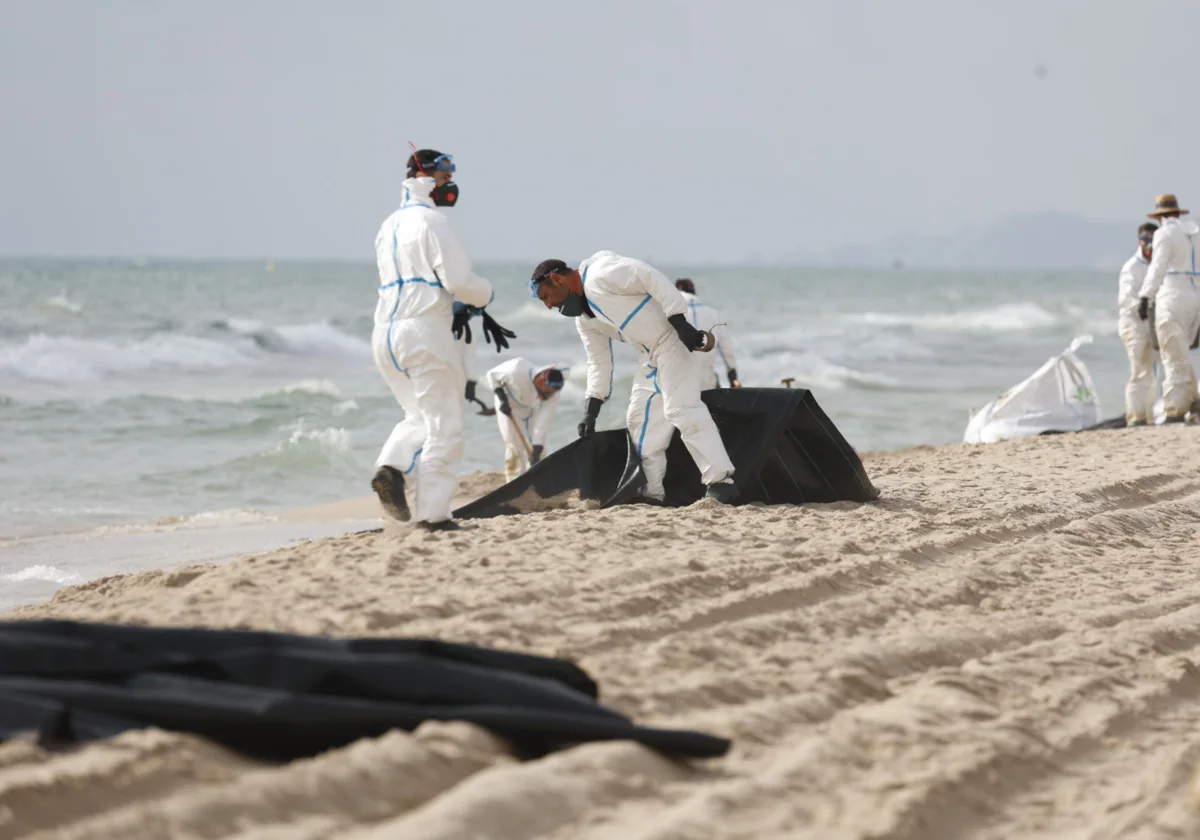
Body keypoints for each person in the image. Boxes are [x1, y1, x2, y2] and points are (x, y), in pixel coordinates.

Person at [370, 148, 515, 531]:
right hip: (424, 333)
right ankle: (433, 515)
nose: (451, 180)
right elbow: (459, 283)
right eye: (446, 173)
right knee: (446, 427)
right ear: (428, 176)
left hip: (384, 334)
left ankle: (392, 468)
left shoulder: (387, 226)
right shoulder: (434, 222)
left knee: (417, 415)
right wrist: (485, 294)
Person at [529, 251, 739, 504]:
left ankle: (721, 482)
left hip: (672, 340)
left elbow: (650, 277)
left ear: (557, 280)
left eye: (545, 297)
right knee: (639, 419)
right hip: (649, 355)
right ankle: (651, 492)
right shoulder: (585, 321)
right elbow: (599, 362)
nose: (549, 305)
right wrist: (592, 407)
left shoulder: (600, 273)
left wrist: (680, 322)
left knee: (681, 409)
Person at [1136, 194, 1200, 423]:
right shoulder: (1194, 232)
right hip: (1195, 296)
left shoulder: (1164, 233)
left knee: (1172, 355)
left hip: (1172, 295)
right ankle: (1193, 401)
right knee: (1182, 354)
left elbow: (1158, 267)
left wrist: (1145, 296)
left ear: (1160, 216)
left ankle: (1175, 410)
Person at [485, 358, 567, 480]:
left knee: (540, 448)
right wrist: (502, 399)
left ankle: (540, 480)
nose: (550, 393)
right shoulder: (516, 370)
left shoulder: (551, 393)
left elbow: (543, 423)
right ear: (541, 380)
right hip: (508, 408)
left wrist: (536, 450)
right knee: (515, 448)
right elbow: (491, 375)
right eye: (550, 389)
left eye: (555, 390)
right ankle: (514, 484)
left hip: (530, 408)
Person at [1117, 223, 1159, 425]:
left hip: (1151, 324)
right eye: (1145, 238)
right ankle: (1135, 417)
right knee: (1140, 371)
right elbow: (1125, 299)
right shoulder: (1132, 267)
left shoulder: (1158, 265)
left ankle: (1148, 415)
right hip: (1133, 325)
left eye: (1152, 238)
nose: (1149, 243)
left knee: (1153, 373)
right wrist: (1142, 305)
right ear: (1139, 241)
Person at [675, 278, 741, 389]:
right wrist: (732, 376)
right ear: (694, 292)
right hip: (708, 384)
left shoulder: (671, 315)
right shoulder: (713, 313)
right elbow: (726, 348)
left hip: (679, 385)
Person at [452, 302, 494, 415]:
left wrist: (471, 381)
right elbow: (469, 354)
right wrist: (471, 380)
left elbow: (469, 354)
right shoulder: (465, 324)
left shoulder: (465, 326)